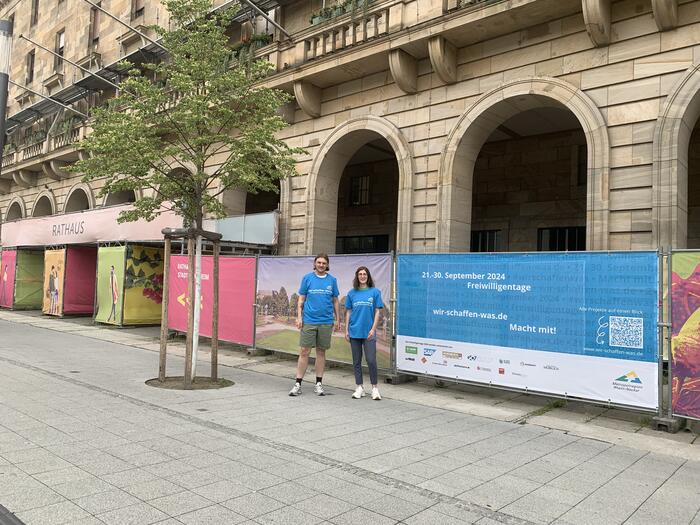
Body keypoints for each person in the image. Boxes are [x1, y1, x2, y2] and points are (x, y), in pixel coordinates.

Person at [289, 253, 340, 396]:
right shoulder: (307, 278)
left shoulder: (332, 280)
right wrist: (299, 317)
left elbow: (335, 301)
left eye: (324, 263)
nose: (321, 265)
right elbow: (301, 300)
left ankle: (318, 384)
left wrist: (338, 319)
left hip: (325, 322)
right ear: (315, 263)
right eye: (319, 262)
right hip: (309, 321)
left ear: (327, 265)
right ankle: (298, 384)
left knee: (321, 352)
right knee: (304, 351)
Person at [345, 266, 384, 400]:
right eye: (360, 274)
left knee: (371, 360)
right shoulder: (351, 293)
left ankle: (374, 388)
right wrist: (346, 330)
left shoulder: (375, 292)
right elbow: (349, 312)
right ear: (357, 276)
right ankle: (359, 387)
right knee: (356, 361)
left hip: (369, 333)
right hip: (354, 331)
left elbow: (378, 311)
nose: (362, 276)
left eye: (364, 274)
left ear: (368, 276)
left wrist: (373, 329)